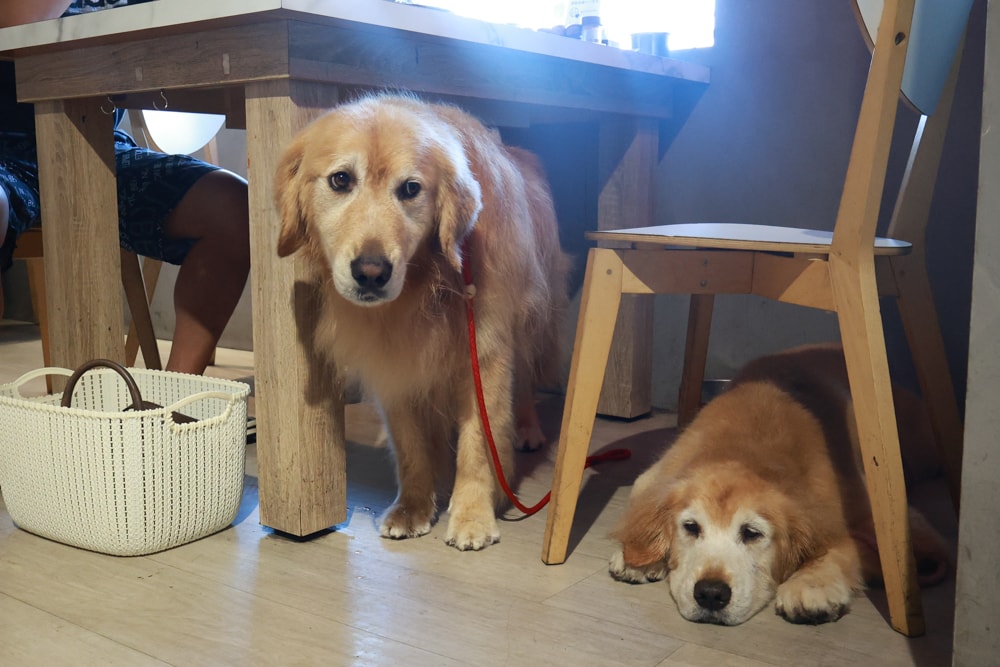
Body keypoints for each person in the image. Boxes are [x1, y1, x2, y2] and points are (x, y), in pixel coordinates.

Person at [0, 0, 251, 376]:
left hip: (99, 143)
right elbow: (13, 20)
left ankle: (175, 406)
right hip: (8, 147)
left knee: (232, 208)